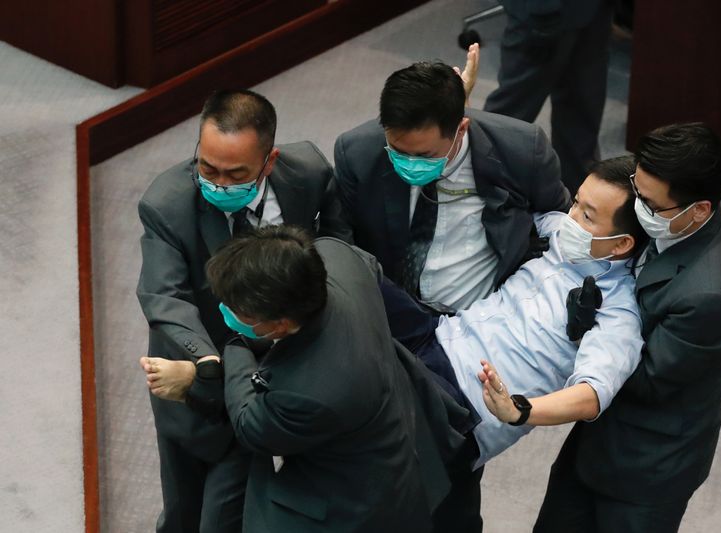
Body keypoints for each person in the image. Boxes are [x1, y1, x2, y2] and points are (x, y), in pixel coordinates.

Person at [380, 156, 648, 532]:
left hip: (462, 403)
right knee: (352, 267)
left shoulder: (618, 313)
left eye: (587, 216)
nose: (571, 217)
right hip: (437, 334)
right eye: (575, 203)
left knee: (365, 463)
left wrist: (518, 410)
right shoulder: (559, 229)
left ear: (620, 243)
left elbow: (591, 395)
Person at [149, 226, 464, 532]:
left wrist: (231, 349)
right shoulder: (335, 257)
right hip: (401, 430)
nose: (226, 313)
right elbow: (371, 267)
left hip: (355, 506)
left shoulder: (312, 392)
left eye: (237, 313)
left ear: (281, 325)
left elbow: (249, 423)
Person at [136, 89, 350, 533]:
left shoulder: (308, 171)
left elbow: (337, 240)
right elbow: (164, 296)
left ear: (268, 162)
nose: (218, 183)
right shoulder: (166, 204)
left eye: (235, 175)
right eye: (207, 168)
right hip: (201, 363)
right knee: (188, 507)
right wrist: (207, 365)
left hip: (285, 358)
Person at [525, 123, 721, 533]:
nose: (637, 207)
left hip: (646, 469)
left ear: (698, 209)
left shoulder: (711, 298)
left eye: (648, 202)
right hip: (594, 445)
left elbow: (646, 380)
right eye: (636, 188)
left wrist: (585, 330)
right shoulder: (677, 210)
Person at [334, 60, 571, 313]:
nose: (410, 164)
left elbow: (558, 220)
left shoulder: (522, 151)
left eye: (425, 156)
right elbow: (342, 242)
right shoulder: (357, 152)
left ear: (461, 129)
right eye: (398, 152)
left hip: (481, 317)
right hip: (392, 312)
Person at [483, 0, 615, 194]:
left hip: (593, 11)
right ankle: (482, 194)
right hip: (543, 14)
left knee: (582, 107)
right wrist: (541, 10)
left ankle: (576, 201)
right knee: (510, 115)